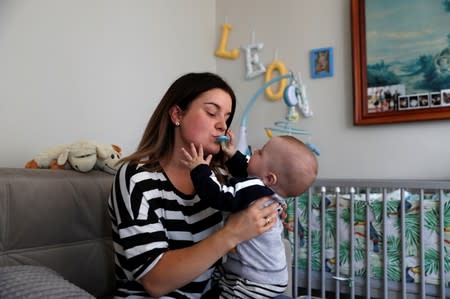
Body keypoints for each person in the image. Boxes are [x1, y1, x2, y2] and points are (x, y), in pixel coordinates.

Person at [107, 72, 284, 299]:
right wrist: (231, 234)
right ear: (177, 114)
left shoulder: (219, 175)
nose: (223, 125)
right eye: (212, 112)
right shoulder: (136, 178)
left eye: (227, 117)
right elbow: (155, 282)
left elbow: (250, 208)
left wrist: (266, 215)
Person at [180, 134, 318, 298]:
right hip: (270, 276)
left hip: (253, 280)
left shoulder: (256, 188)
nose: (256, 151)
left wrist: (200, 169)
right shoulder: (267, 191)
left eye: (261, 152)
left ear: (269, 178)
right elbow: (247, 169)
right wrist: (232, 154)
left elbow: (220, 197)